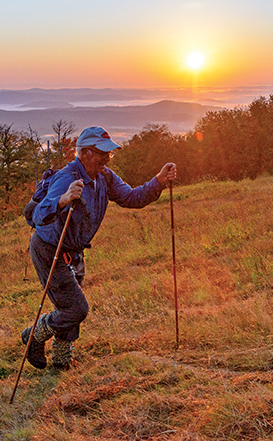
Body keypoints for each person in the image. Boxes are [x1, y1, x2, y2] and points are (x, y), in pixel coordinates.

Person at [22, 126, 177, 369]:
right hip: (49, 249)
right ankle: (33, 336)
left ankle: (61, 362)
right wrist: (63, 199)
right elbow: (39, 214)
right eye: (101, 152)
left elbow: (132, 198)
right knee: (76, 308)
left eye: (109, 153)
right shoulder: (66, 177)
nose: (107, 158)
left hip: (73, 250)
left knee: (69, 306)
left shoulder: (104, 177)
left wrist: (158, 181)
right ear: (84, 153)